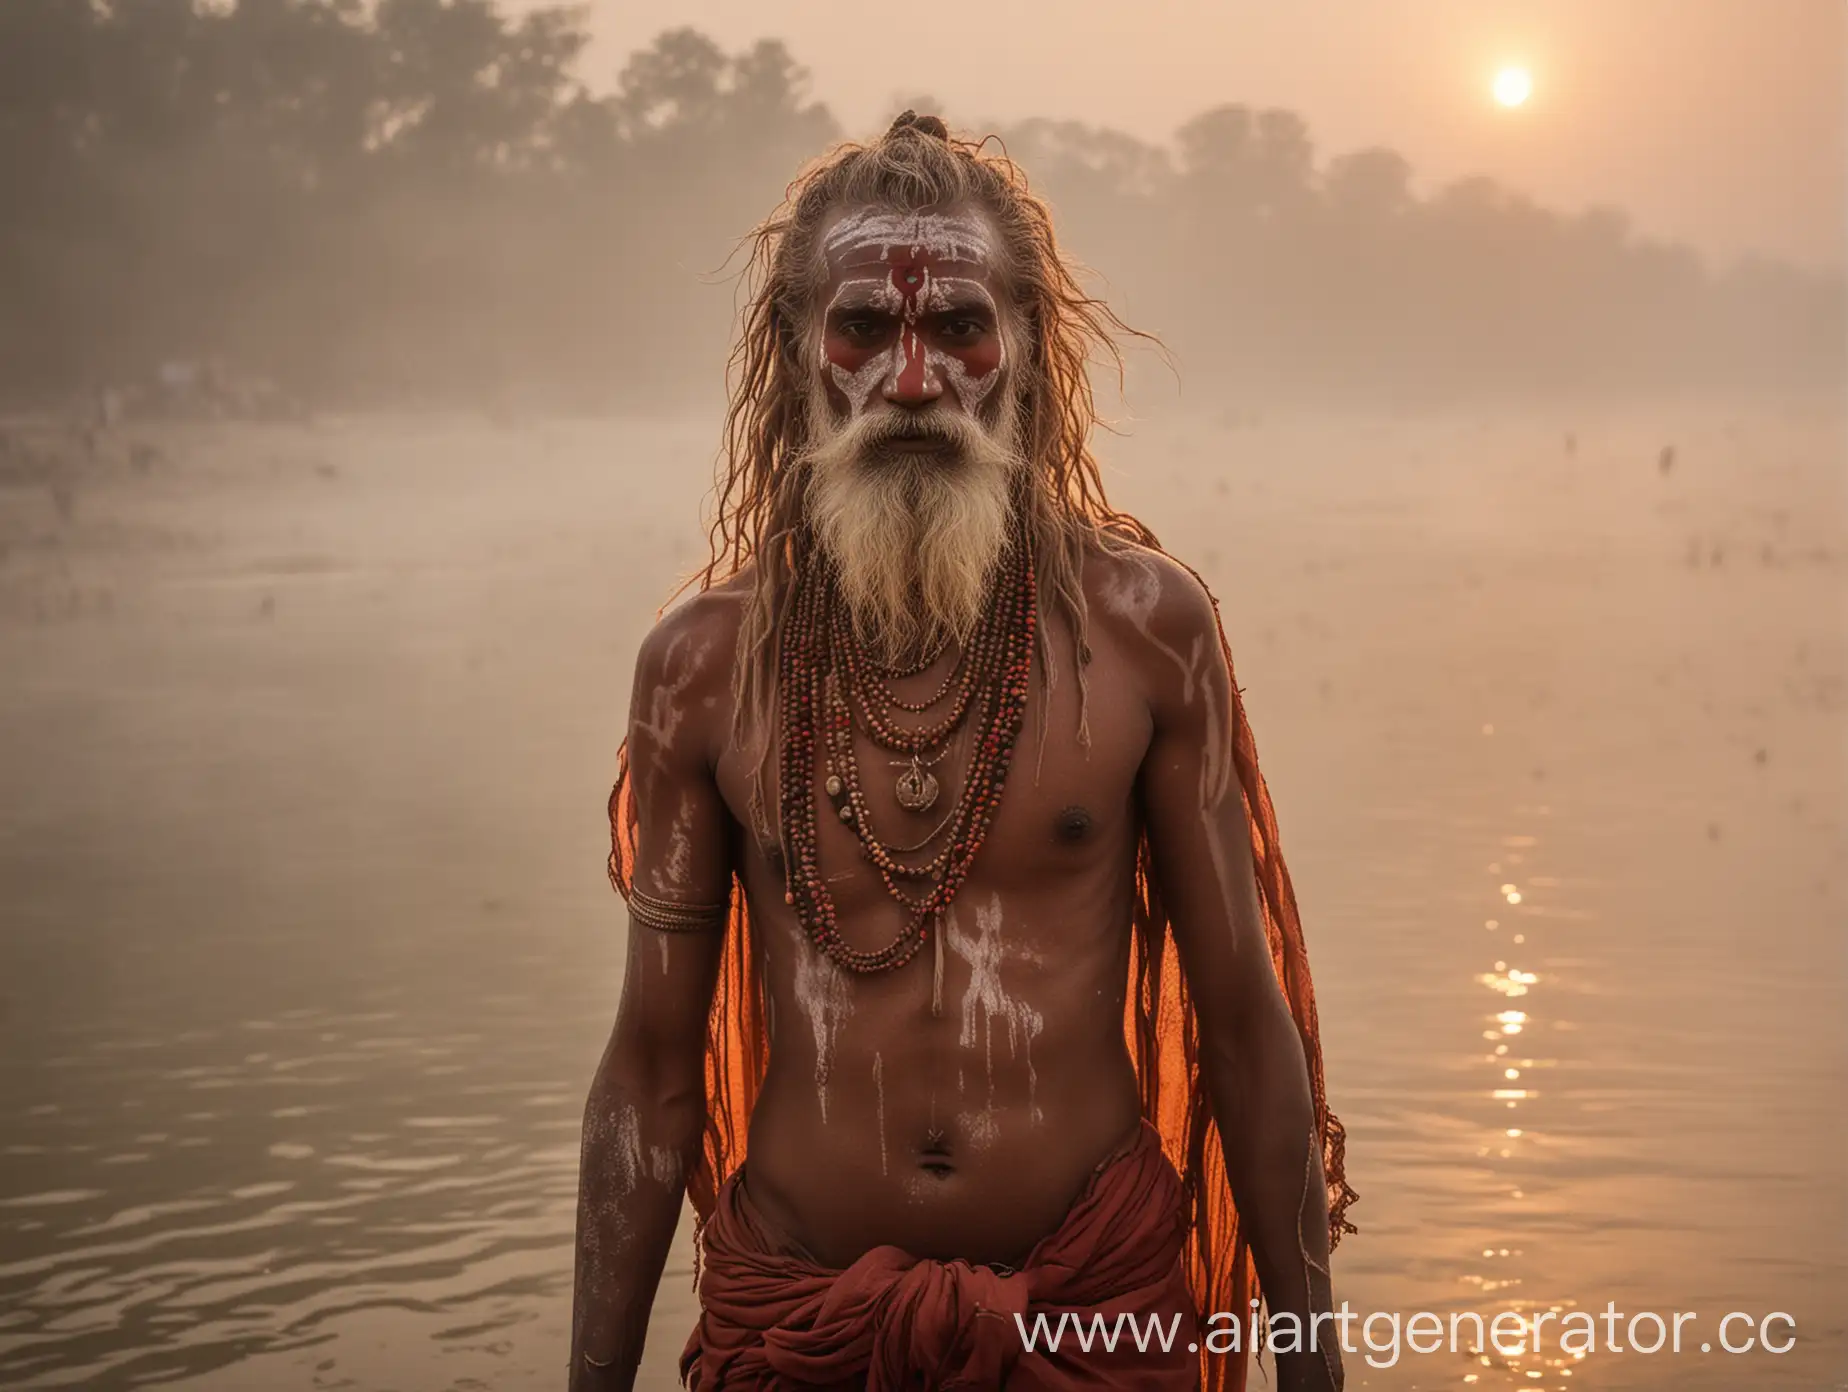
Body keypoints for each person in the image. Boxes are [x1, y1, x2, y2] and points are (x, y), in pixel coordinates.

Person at [572, 112, 1356, 1392]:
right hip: (799, 1325)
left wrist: (1318, 1380)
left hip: (1094, 1318)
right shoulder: (700, 667)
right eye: (866, 330)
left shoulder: (1148, 631)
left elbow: (1245, 1031)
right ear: (792, 354)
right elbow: (653, 1072)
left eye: (960, 329)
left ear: (1030, 352)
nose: (916, 383)